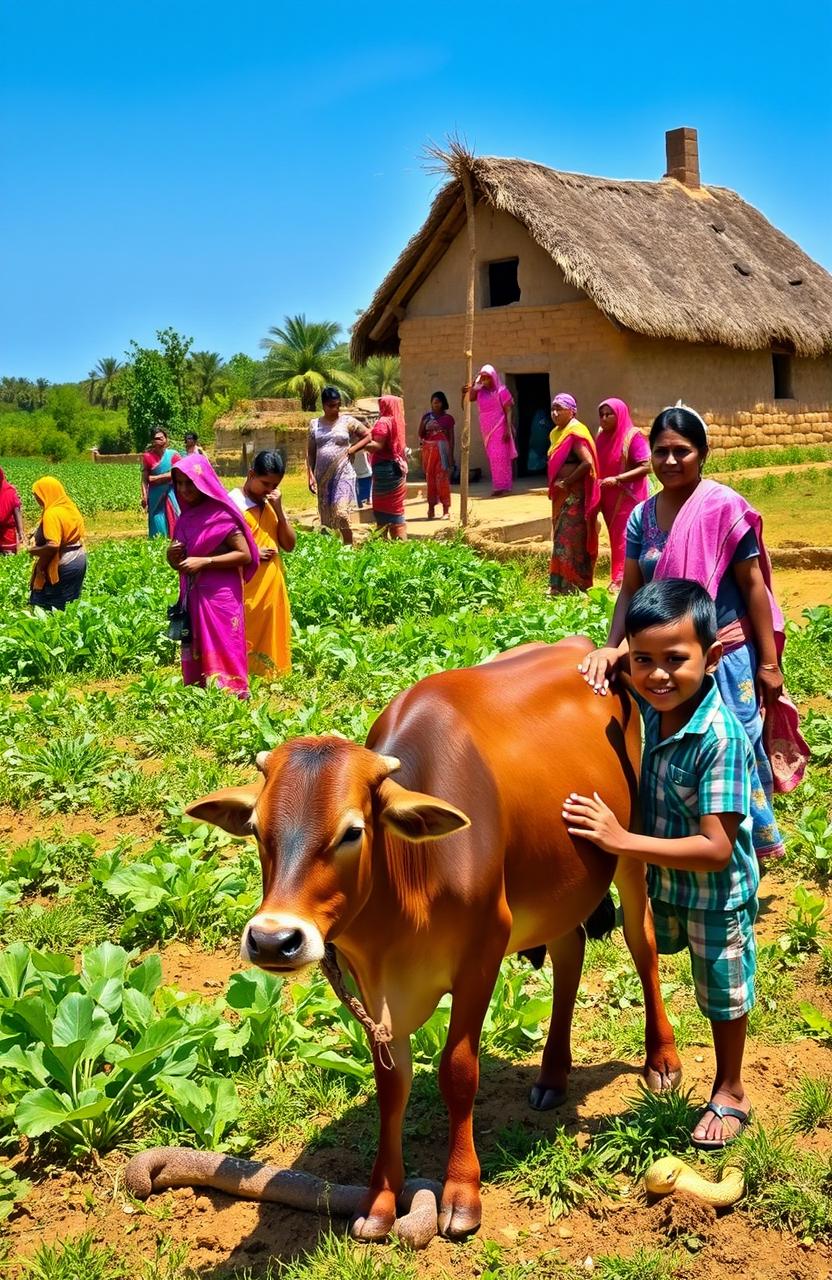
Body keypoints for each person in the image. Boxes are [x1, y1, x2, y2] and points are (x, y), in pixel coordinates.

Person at [564, 579, 758, 1149]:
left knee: (723, 992)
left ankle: (731, 1089)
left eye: (676, 660)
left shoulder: (717, 737)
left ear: (713, 658)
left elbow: (716, 847)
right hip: (667, 882)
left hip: (716, 892)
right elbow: (624, 661)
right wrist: (608, 652)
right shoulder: (657, 703)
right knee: (684, 970)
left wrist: (622, 840)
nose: (656, 675)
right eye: (643, 660)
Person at [579, 402, 805, 861]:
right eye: (660, 452)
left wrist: (768, 663)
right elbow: (631, 592)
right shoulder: (642, 517)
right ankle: (679, 839)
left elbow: (753, 585)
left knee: (732, 743)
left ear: (702, 453)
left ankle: (744, 847)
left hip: (723, 651)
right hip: (663, 654)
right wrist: (612, 646)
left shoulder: (724, 507)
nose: (669, 461)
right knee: (668, 744)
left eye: (681, 451)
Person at [167, 453, 259, 697]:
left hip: (220, 595)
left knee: (224, 640)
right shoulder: (184, 518)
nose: (184, 489)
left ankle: (234, 690)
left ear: (202, 482)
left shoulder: (222, 516)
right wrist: (171, 557)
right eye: (179, 483)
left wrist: (206, 561)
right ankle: (202, 689)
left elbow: (245, 555)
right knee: (199, 641)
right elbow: (182, 563)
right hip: (194, 595)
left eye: (190, 483)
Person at [230, 450, 296, 677]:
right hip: (246, 586)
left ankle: (274, 675)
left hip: (273, 586)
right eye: (265, 483)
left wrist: (279, 510)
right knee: (247, 632)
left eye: (275, 485)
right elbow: (219, 545)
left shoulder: (270, 503)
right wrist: (252, 552)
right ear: (251, 474)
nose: (269, 490)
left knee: (274, 632)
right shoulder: (233, 504)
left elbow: (289, 544)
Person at [547, 393, 600, 595]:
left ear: (572, 410)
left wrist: (567, 481)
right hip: (562, 496)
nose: (555, 413)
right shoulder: (555, 434)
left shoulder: (576, 433)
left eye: (560, 408)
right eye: (553, 408)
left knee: (568, 539)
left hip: (574, 497)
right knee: (560, 537)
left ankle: (572, 584)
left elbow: (587, 463)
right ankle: (559, 583)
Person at [596, 398, 651, 588]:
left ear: (619, 414)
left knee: (625, 536)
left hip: (628, 496)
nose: (603, 418)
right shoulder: (602, 436)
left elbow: (646, 466)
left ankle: (622, 579)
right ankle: (622, 575)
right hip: (608, 497)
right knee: (614, 537)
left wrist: (619, 479)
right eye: (601, 414)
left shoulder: (632, 436)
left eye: (608, 414)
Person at [307, 386, 371, 545]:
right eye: (331, 406)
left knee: (341, 513)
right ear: (323, 405)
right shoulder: (314, 425)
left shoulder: (347, 421)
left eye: (337, 405)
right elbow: (310, 453)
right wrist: (310, 476)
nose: (335, 409)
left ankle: (349, 546)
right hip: (323, 477)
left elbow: (368, 435)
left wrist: (353, 449)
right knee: (327, 521)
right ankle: (331, 552)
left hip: (344, 472)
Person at [28, 477, 87, 610]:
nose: (36, 498)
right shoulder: (69, 507)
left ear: (45, 494)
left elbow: (53, 545)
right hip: (78, 558)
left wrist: (34, 551)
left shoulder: (52, 513)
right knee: (69, 604)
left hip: (63, 562)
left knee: (52, 605)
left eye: (37, 495)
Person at [463, 365, 516, 496]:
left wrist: (508, 429)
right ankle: (501, 485)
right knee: (493, 457)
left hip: (499, 426)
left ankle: (501, 486)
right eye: (484, 377)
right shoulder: (480, 391)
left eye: (488, 378)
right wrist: (476, 384)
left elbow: (508, 410)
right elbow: (470, 398)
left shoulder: (502, 390)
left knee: (500, 456)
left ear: (493, 377)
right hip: (486, 429)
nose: (485, 380)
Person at [367, 394, 409, 539]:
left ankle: (382, 547)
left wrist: (358, 444)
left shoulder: (383, 422)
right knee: (396, 510)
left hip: (385, 471)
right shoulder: (398, 421)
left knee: (382, 513)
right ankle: (402, 548)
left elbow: (377, 445)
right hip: (397, 469)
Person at [418, 391, 455, 519]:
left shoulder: (448, 419)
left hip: (442, 450)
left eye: (438, 402)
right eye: (434, 402)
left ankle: (446, 510)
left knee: (442, 479)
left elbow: (451, 438)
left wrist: (451, 455)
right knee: (430, 480)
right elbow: (421, 434)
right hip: (428, 450)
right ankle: (431, 509)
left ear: (443, 403)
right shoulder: (426, 417)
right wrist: (424, 422)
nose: (436, 404)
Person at [142, 428, 181, 537]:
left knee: (174, 518)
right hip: (155, 496)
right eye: (156, 439)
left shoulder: (174, 455)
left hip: (171, 493)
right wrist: (144, 495)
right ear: (152, 441)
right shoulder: (147, 457)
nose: (159, 441)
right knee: (157, 521)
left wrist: (157, 478)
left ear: (166, 440)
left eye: (161, 438)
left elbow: (179, 473)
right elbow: (145, 479)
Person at [0, 466, 24, 553]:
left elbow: (17, 511)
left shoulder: (9, 491)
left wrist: (21, 531)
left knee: (8, 559)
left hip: (7, 534)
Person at [352, 435, 373, 508]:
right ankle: (363, 502)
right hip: (360, 472)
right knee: (360, 492)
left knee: (363, 492)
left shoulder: (362, 446)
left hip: (364, 472)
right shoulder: (360, 446)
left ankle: (367, 500)